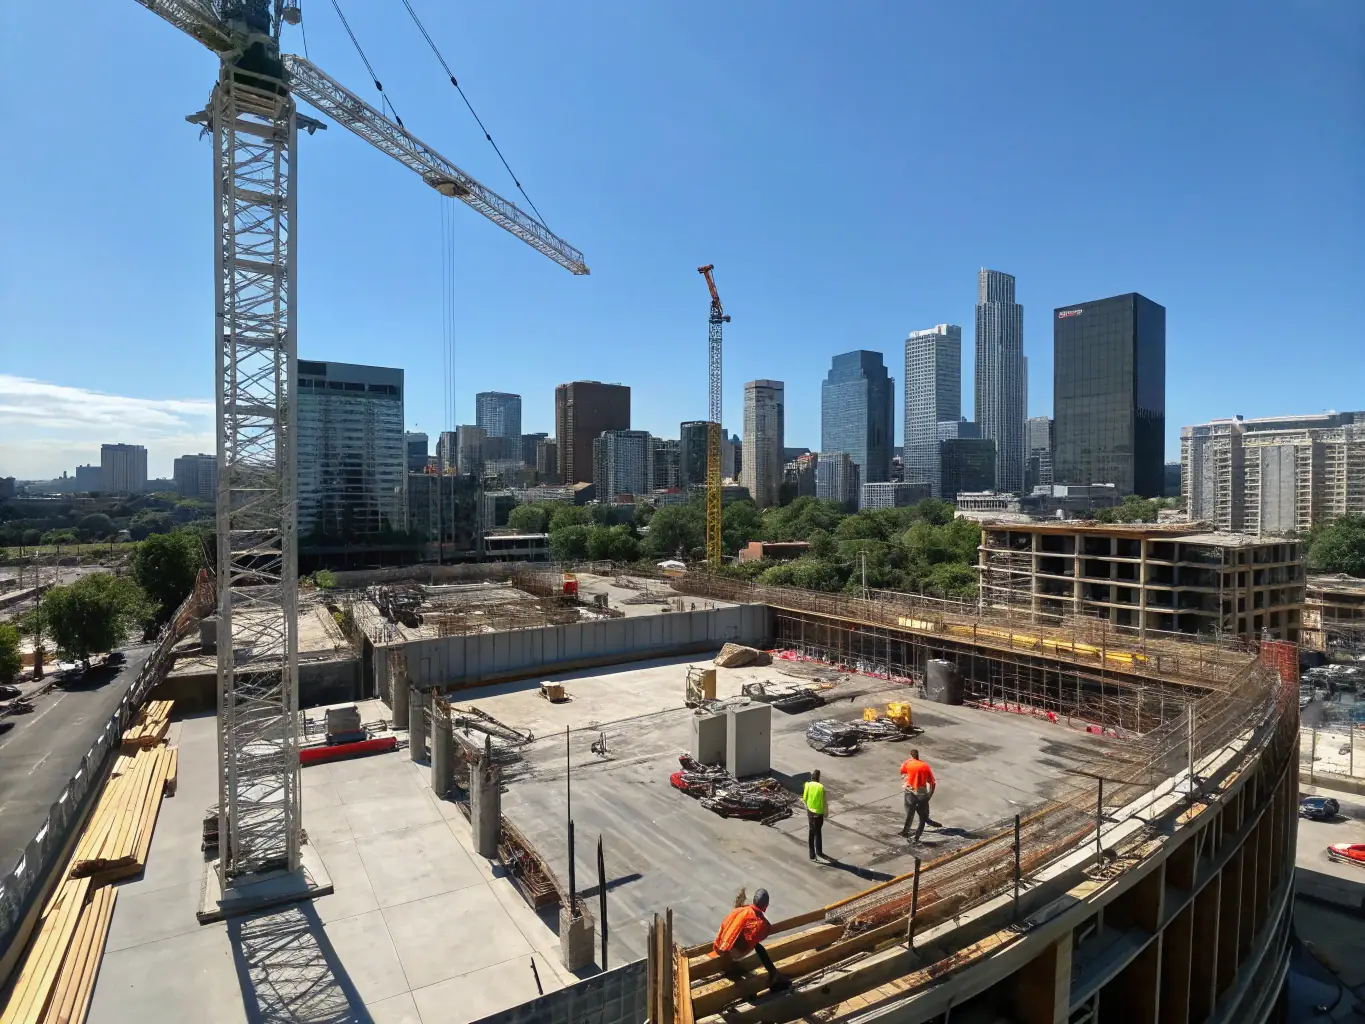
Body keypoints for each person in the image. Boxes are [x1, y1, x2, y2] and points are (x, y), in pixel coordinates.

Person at [711, 889, 791, 990]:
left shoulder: (740, 910)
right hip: (729, 952)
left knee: (753, 944)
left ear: (753, 900)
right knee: (757, 946)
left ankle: (772, 973)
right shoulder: (761, 923)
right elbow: (757, 938)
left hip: (718, 945)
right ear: (766, 905)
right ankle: (773, 973)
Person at [899, 749, 937, 843]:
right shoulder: (925, 766)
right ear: (918, 755)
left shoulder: (907, 763)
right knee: (922, 816)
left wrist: (908, 777)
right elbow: (932, 782)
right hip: (921, 792)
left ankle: (905, 831)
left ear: (911, 755)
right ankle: (917, 837)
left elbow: (903, 773)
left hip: (909, 790)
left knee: (909, 812)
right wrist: (929, 795)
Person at [802, 769, 826, 860]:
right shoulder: (821, 787)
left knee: (811, 833)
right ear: (818, 777)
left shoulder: (807, 785)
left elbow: (804, 798)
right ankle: (819, 852)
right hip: (819, 813)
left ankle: (812, 855)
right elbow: (823, 801)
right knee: (818, 832)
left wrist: (807, 808)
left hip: (810, 813)